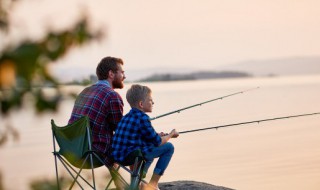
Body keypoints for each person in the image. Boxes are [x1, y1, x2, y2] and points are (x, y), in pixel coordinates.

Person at [112, 84, 179, 190]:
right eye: (150, 100)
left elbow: (139, 135)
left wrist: (157, 134)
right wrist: (171, 134)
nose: (153, 102)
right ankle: (153, 184)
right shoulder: (143, 118)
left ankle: (139, 180)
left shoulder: (125, 117)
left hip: (118, 157)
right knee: (169, 147)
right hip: (132, 156)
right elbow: (158, 142)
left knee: (148, 145)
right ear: (141, 104)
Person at [68, 56, 126, 167]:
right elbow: (120, 131)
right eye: (122, 73)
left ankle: (120, 183)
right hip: (93, 154)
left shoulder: (85, 91)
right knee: (134, 143)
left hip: (72, 151)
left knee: (109, 140)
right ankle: (138, 183)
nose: (124, 76)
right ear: (111, 74)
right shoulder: (112, 95)